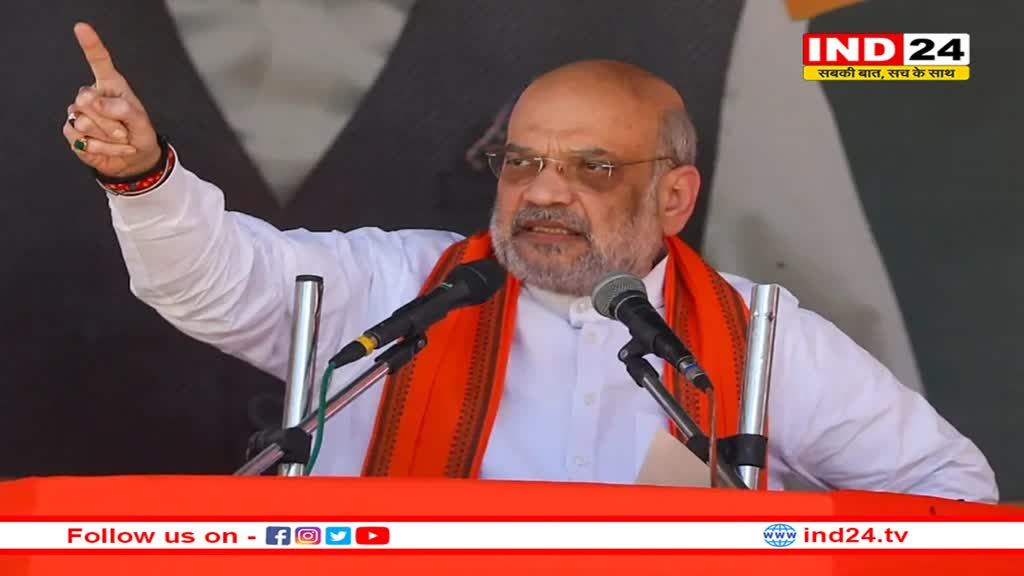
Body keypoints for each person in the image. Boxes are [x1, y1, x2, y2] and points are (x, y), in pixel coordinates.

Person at [63, 22, 998, 501]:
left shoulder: (761, 341)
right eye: (522, 162)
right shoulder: (398, 289)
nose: (545, 193)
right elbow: (215, 282)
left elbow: (948, 496)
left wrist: (780, 541)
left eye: (594, 168)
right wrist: (142, 177)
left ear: (676, 198)